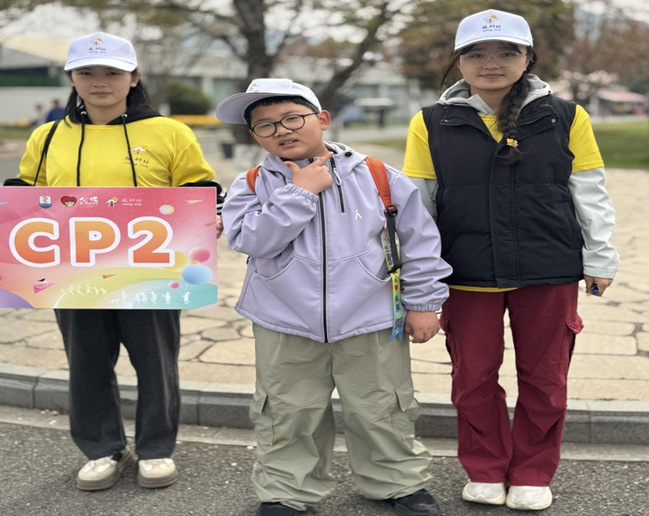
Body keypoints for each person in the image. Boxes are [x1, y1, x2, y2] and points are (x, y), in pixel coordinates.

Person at [402, 9, 619, 511]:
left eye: (506, 52)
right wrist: (420, 279)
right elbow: (419, 207)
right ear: (459, 61)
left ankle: (532, 472)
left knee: (545, 379)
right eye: (476, 53)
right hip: (465, 272)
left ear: (528, 58)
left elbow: (589, 191)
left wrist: (599, 257)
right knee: (472, 378)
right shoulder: (430, 122)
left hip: (548, 269)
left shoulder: (567, 116)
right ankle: (485, 469)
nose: (491, 63)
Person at [217, 78, 453, 516]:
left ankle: (396, 482)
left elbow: (419, 242)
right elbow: (252, 240)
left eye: (292, 118)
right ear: (254, 136)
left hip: (371, 316)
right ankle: (286, 491)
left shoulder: (379, 176)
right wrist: (300, 191)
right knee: (287, 411)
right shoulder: (251, 183)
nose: (281, 131)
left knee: (382, 406)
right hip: (283, 321)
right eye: (265, 125)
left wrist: (423, 304)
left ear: (322, 119)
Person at [5, 32, 224, 491]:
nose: (99, 82)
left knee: (156, 362)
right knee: (86, 362)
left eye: (112, 72)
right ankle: (103, 448)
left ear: (134, 78)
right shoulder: (48, 136)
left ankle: (156, 449)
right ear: (72, 78)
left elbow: (199, 190)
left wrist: (207, 217)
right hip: (72, 271)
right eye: (87, 72)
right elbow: (27, 193)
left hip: (152, 270)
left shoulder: (170, 133)